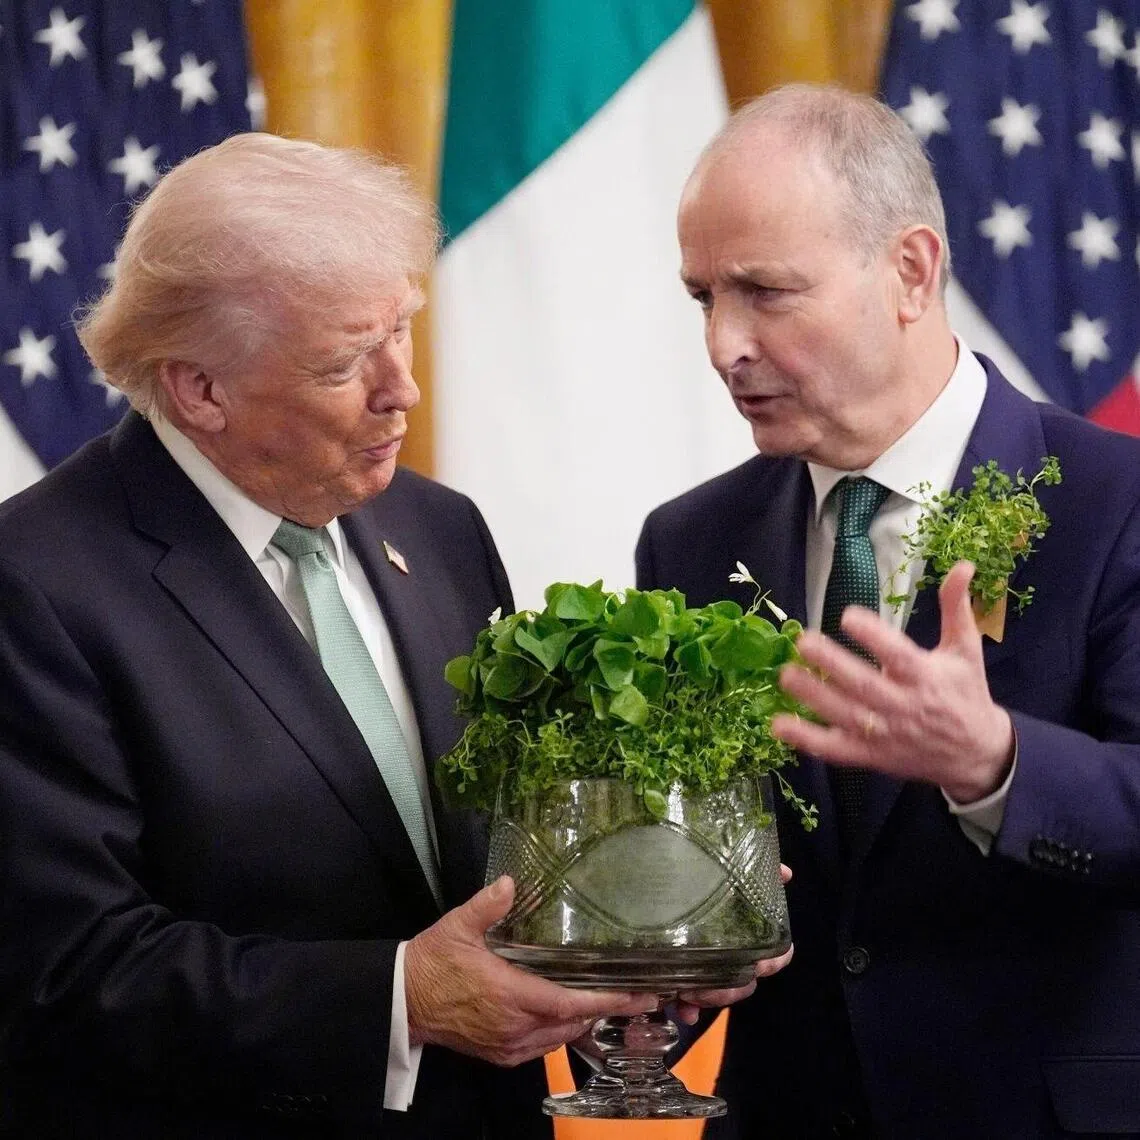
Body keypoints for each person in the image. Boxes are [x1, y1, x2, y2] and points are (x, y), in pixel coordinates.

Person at [0, 133, 692, 1139]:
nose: (400, 388)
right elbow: (62, 970)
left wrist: (648, 896)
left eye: (401, 329)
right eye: (341, 363)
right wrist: (400, 1000)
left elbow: (492, 842)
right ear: (199, 389)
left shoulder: (437, 527)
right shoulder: (36, 585)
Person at [636, 85, 1140, 1139]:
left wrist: (995, 764)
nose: (725, 344)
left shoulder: (1115, 505)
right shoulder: (688, 544)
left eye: (766, 293)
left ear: (910, 271)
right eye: (703, 299)